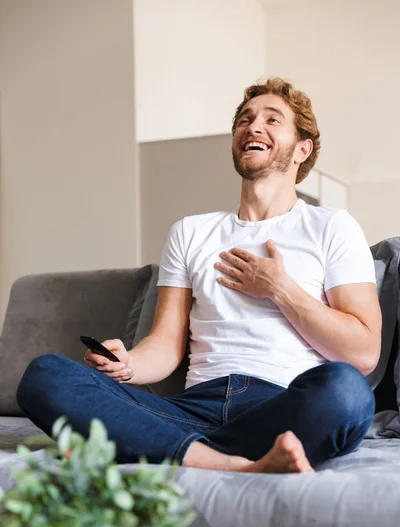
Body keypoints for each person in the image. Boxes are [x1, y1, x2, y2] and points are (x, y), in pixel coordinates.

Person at [17, 77, 382, 474]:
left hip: (279, 409)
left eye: (271, 119)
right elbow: (166, 345)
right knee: (45, 375)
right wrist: (128, 365)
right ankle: (228, 462)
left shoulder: (332, 226)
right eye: (244, 119)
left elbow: (362, 353)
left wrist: (280, 289)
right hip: (192, 408)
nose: (252, 126)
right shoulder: (191, 232)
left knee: (347, 391)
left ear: (302, 149)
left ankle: (169, 449)